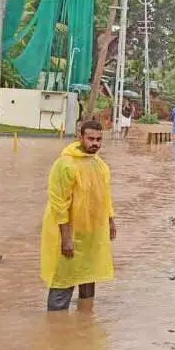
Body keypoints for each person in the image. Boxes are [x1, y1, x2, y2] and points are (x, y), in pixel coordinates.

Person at [40, 120, 116, 311]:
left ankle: (85, 321)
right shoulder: (65, 164)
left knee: (88, 275)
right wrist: (66, 238)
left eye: (99, 139)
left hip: (92, 233)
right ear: (80, 137)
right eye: (90, 138)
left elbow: (104, 197)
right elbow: (59, 203)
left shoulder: (99, 164)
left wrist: (110, 221)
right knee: (64, 276)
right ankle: (57, 326)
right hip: (70, 231)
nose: (95, 143)